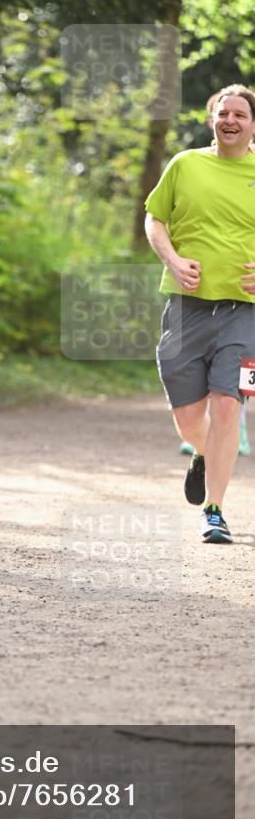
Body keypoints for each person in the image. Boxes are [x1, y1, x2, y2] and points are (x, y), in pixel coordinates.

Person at [144, 83, 255, 543]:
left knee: (228, 405)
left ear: (253, 124)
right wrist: (172, 259)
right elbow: (155, 219)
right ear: (212, 119)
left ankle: (215, 510)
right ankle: (202, 454)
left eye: (240, 115)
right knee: (191, 420)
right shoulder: (185, 165)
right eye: (223, 113)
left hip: (246, 312)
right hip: (186, 308)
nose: (230, 120)